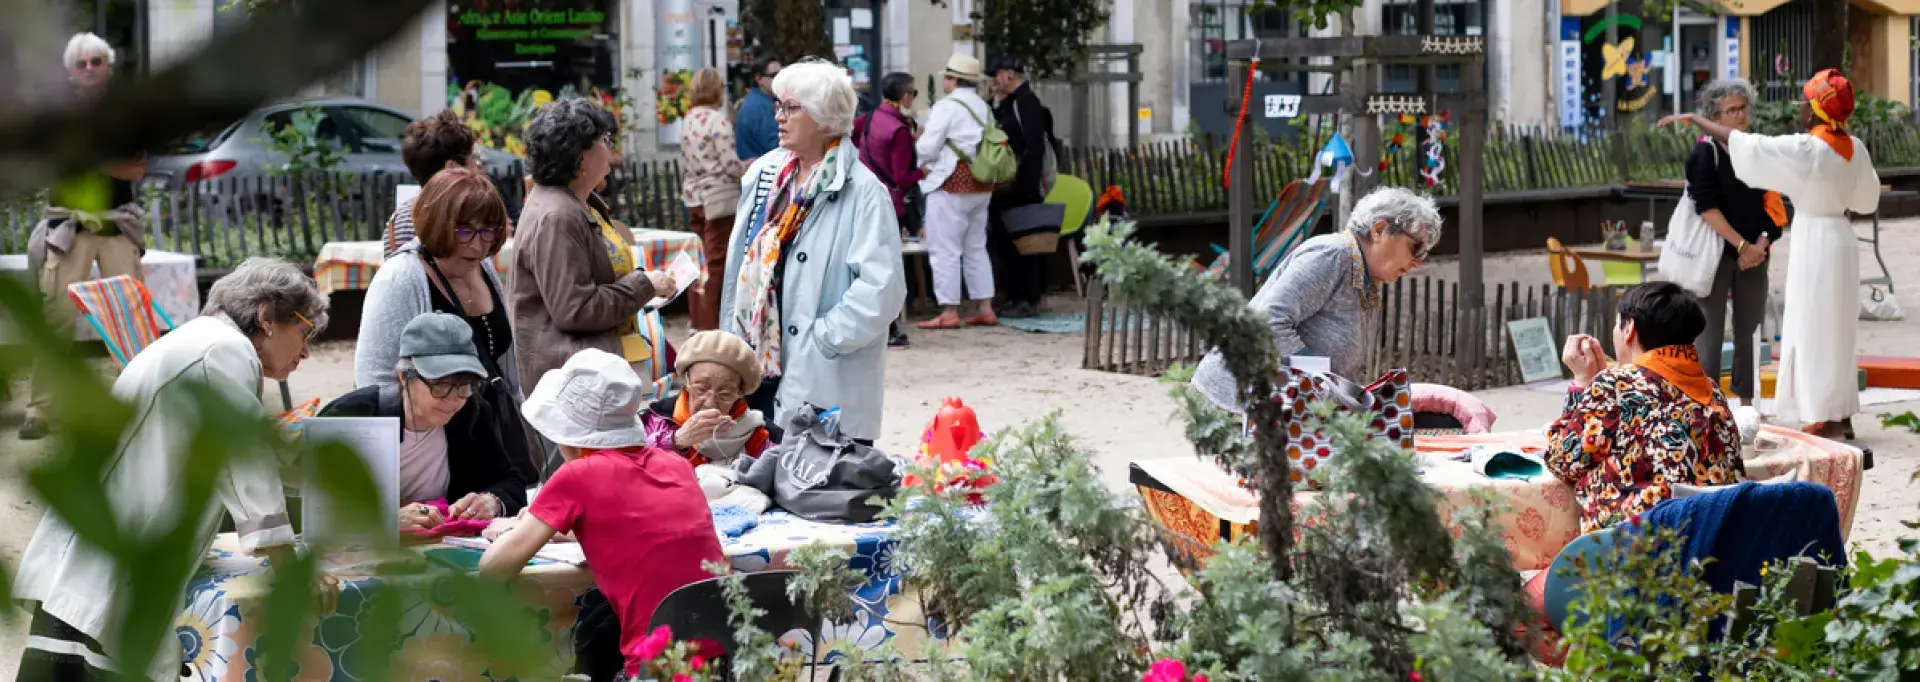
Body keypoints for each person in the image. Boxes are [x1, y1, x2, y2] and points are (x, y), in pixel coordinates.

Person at [14, 258, 337, 680]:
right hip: (102, 579)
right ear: (267, 316)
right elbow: (244, 461)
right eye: (305, 330)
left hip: (92, 570)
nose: (308, 350)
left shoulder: (201, 342)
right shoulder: (224, 350)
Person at [478, 349, 725, 682]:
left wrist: (512, 531)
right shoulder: (677, 465)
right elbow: (622, 527)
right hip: (726, 658)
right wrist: (537, 524)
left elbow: (493, 569)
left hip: (656, 669)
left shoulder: (578, 476)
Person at [1660, 69, 1882, 439]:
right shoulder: (1854, 147)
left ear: (1815, 109)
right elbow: (1867, 199)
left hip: (1815, 239)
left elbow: (1753, 147)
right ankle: (1842, 414)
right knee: (1840, 331)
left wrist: (1697, 120)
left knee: (1811, 326)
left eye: (1805, 101)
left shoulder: (1809, 147)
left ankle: (1818, 413)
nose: (1799, 106)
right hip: (1842, 239)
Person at [719, 58, 908, 445]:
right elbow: (742, 261)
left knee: (816, 489)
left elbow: (882, 290)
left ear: (824, 120)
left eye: (791, 107)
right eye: (779, 105)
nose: (779, 116)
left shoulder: (864, 192)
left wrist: (821, 339)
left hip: (819, 367)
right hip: (757, 358)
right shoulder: (765, 175)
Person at [356, 168, 540, 483]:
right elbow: (375, 384)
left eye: (489, 231)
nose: (478, 245)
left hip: (495, 438)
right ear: (437, 225)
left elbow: (503, 360)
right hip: (435, 450)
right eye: (465, 231)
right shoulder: (400, 277)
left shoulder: (482, 267)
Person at [1190, 187, 1441, 412]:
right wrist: (1320, 381)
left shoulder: (1364, 276)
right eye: (1416, 248)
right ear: (1379, 229)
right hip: (1233, 402)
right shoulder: (1332, 255)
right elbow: (1268, 321)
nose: (1418, 262)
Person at [22, 32, 148, 441]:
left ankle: (142, 404)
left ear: (109, 67)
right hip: (69, 225)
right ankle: (41, 409)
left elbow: (136, 170)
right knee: (57, 318)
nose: (90, 68)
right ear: (70, 71)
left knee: (129, 315)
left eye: (97, 61)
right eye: (82, 63)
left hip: (116, 223)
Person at [510, 98, 676, 406]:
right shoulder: (557, 215)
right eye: (604, 141)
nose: (610, 150)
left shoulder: (575, 203)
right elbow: (576, 310)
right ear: (581, 156)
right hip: (575, 386)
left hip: (591, 373)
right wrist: (644, 285)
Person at [1545, 281, 1745, 533]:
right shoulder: (1712, 390)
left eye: (1618, 323)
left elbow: (1563, 461)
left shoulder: (1615, 385)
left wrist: (1582, 383)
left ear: (1629, 329)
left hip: (1635, 550)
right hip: (1708, 543)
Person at [324, 313, 529, 531]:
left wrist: (491, 501)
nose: (452, 399)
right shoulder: (351, 415)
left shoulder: (471, 413)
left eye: (465, 385)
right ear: (404, 376)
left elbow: (511, 481)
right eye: (439, 385)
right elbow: (310, 509)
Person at [915, 55, 1000, 330]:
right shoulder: (984, 107)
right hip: (981, 182)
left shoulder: (946, 106)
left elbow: (928, 147)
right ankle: (984, 306)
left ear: (952, 80)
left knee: (945, 249)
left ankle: (949, 310)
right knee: (975, 246)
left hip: (951, 181)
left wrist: (919, 152)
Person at [855, 72, 924, 348]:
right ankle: (890, 328)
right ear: (905, 96)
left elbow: (850, 136)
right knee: (888, 269)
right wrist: (923, 171)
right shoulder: (899, 131)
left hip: (863, 199)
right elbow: (901, 177)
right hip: (889, 205)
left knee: (867, 265)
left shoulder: (870, 119)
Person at [985, 55, 1057, 319]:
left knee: (1025, 243)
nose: (993, 81)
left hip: (1021, 187)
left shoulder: (1026, 102)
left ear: (1009, 75)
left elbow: (1034, 146)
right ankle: (1014, 295)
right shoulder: (1010, 103)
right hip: (1007, 185)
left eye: (996, 76)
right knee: (1007, 242)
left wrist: (1025, 186)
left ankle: (1027, 298)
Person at [642, 330, 779, 465]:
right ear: (687, 381)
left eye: (725, 394)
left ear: (740, 393)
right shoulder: (655, 422)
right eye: (701, 389)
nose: (710, 403)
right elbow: (633, 465)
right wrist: (676, 440)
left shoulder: (758, 434)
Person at [679, 68, 748, 331]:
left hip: (693, 196)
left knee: (698, 260)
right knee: (716, 261)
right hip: (718, 197)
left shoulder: (689, 119)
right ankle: (710, 323)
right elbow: (729, 164)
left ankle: (697, 318)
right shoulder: (717, 121)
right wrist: (748, 167)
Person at [384, 110, 486, 257]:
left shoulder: (396, 220)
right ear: (452, 168)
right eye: (474, 159)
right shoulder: (459, 218)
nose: (478, 169)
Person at [734, 54, 783, 164]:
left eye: (781, 74)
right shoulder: (761, 107)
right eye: (774, 75)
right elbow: (777, 145)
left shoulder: (758, 101)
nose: (780, 79)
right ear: (758, 79)